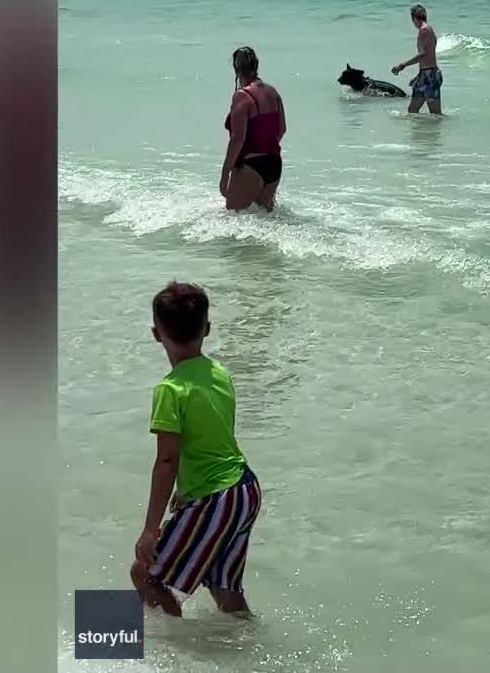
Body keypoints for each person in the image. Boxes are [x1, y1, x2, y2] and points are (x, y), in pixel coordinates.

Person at [130, 282, 262, 619]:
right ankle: (248, 650)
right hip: (244, 490)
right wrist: (186, 491)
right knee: (223, 586)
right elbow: (214, 437)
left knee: (143, 573)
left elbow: (167, 460)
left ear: (156, 334)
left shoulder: (169, 389)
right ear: (207, 328)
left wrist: (149, 529)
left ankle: (178, 656)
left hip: (214, 497)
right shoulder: (219, 372)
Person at [221, 47, 285, 210]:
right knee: (265, 220)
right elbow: (282, 129)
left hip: (251, 165)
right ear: (256, 65)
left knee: (233, 219)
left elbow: (238, 139)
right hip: (274, 164)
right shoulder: (273, 92)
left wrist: (225, 173)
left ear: (236, 69)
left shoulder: (242, 95)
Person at [391, 4, 443, 115]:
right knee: (412, 111)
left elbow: (423, 54)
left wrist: (402, 65)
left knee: (435, 114)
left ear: (414, 18)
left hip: (430, 76)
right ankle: (419, 132)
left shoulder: (424, 30)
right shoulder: (428, 30)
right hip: (423, 75)